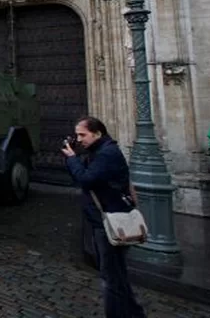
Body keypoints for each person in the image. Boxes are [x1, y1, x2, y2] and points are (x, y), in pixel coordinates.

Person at [62, 116, 146, 318]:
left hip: (110, 221)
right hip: (103, 219)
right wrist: (74, 155)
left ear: (98, 133)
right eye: (77, 135)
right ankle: (135, 314)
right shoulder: (98, 152)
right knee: (117, 276)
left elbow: (85, 179)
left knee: (111, 279)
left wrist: (72, 159)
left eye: (83, 134)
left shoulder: (107, 154)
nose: (79, 139)